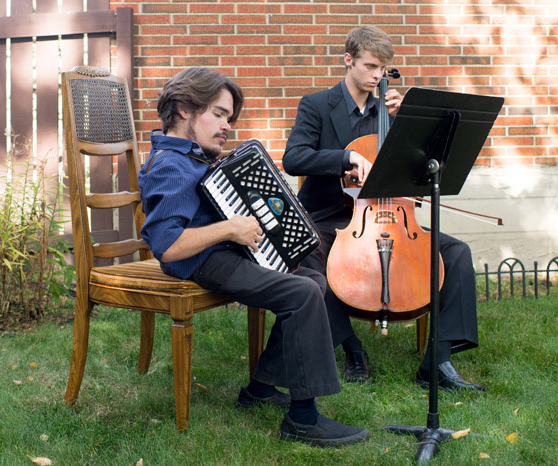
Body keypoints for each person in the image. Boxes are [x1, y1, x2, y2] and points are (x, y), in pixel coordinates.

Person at [138, 67, 370, 447]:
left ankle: (260, 389)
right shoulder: (170, 165)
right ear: (184, 110)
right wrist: (231, 229)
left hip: (221, 255)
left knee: (311, 280)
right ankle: (303, 418)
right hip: (204, 262)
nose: (226, 125)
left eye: (229, 118)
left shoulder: (189, 156)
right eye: (218, 114)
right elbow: (167, 246)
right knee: (303, 294)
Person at [282, 26, 484, 392]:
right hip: (334, 216)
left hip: (391, 215)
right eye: (371, 66)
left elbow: (417, 167)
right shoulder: (316, 105)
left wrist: (409, 126)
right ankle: (352, 347)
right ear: (348, 60)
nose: (378, 76)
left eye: (383, 69)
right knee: (307, 258)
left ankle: (438, 361)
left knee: (456, 253)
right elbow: (294, 158)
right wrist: (345, 157)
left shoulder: (389, 111)